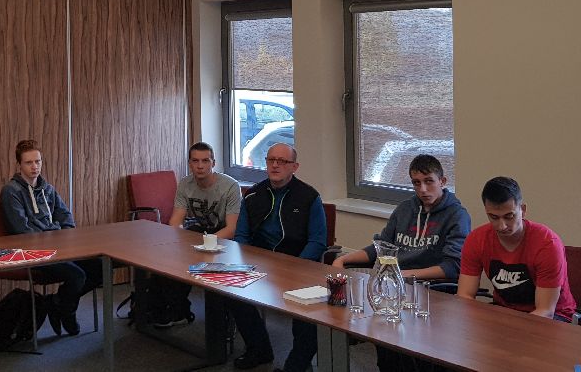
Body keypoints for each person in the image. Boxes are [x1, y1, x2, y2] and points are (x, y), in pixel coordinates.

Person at [332, 154, 470, 371]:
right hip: (394, 289)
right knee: (379, 334)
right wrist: (343, 259)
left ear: (442, 181)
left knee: (407, 345)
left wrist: (401, 275)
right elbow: (381, 248)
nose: (423, 189)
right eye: (416, 183)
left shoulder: (457, 215)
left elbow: (452, 268)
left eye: (429, 181)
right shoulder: (405, 209)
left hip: (431, 291)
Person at [228, 143, 326, 371]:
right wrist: (246, 264)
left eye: (282, 161)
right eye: (271, 160)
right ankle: (259, 349)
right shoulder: (253, 194)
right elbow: (241, 236)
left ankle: (296, 364)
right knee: (231, 292)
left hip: (298, 265)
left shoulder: (309, 197)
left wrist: (294, 267)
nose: (275, 165)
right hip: (259, 264)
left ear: (294, 167)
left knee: (307, 309)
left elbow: (318, 242)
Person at [0, 139, 103, 336]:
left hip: (59, 247)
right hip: (33, 251)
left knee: (99, 267)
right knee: (78, 275)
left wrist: (65, 237)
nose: (34, 166)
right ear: (19, 164)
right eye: (29, 162)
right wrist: (52, 241)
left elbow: (66, 216)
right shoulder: (11, 191)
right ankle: (67, 311)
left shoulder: (47, 189)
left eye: (38, 161)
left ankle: (57, 303)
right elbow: (22, 231)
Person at [148, 141, 241, 328]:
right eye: (195, 161)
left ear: (213, 163)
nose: (200, 166)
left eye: (205, 161)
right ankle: (175, 310)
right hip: (199, 235)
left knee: (194, 260)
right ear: (189, 163)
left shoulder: (230, 186)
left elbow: (232, 229)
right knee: (166, 263)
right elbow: (176, 221)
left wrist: (204, 244)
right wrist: (177, 242)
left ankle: (217, 321)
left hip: (226, 240)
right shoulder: (185, 183)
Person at [457, 176, 575, 321]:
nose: (502, 226)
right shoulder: (476, 239)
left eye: (509, 216)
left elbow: (545, 311)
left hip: (553, 318)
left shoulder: (547, 244)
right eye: (494, 217)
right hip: (504, 311)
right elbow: (465, 296)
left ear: (523, 210)